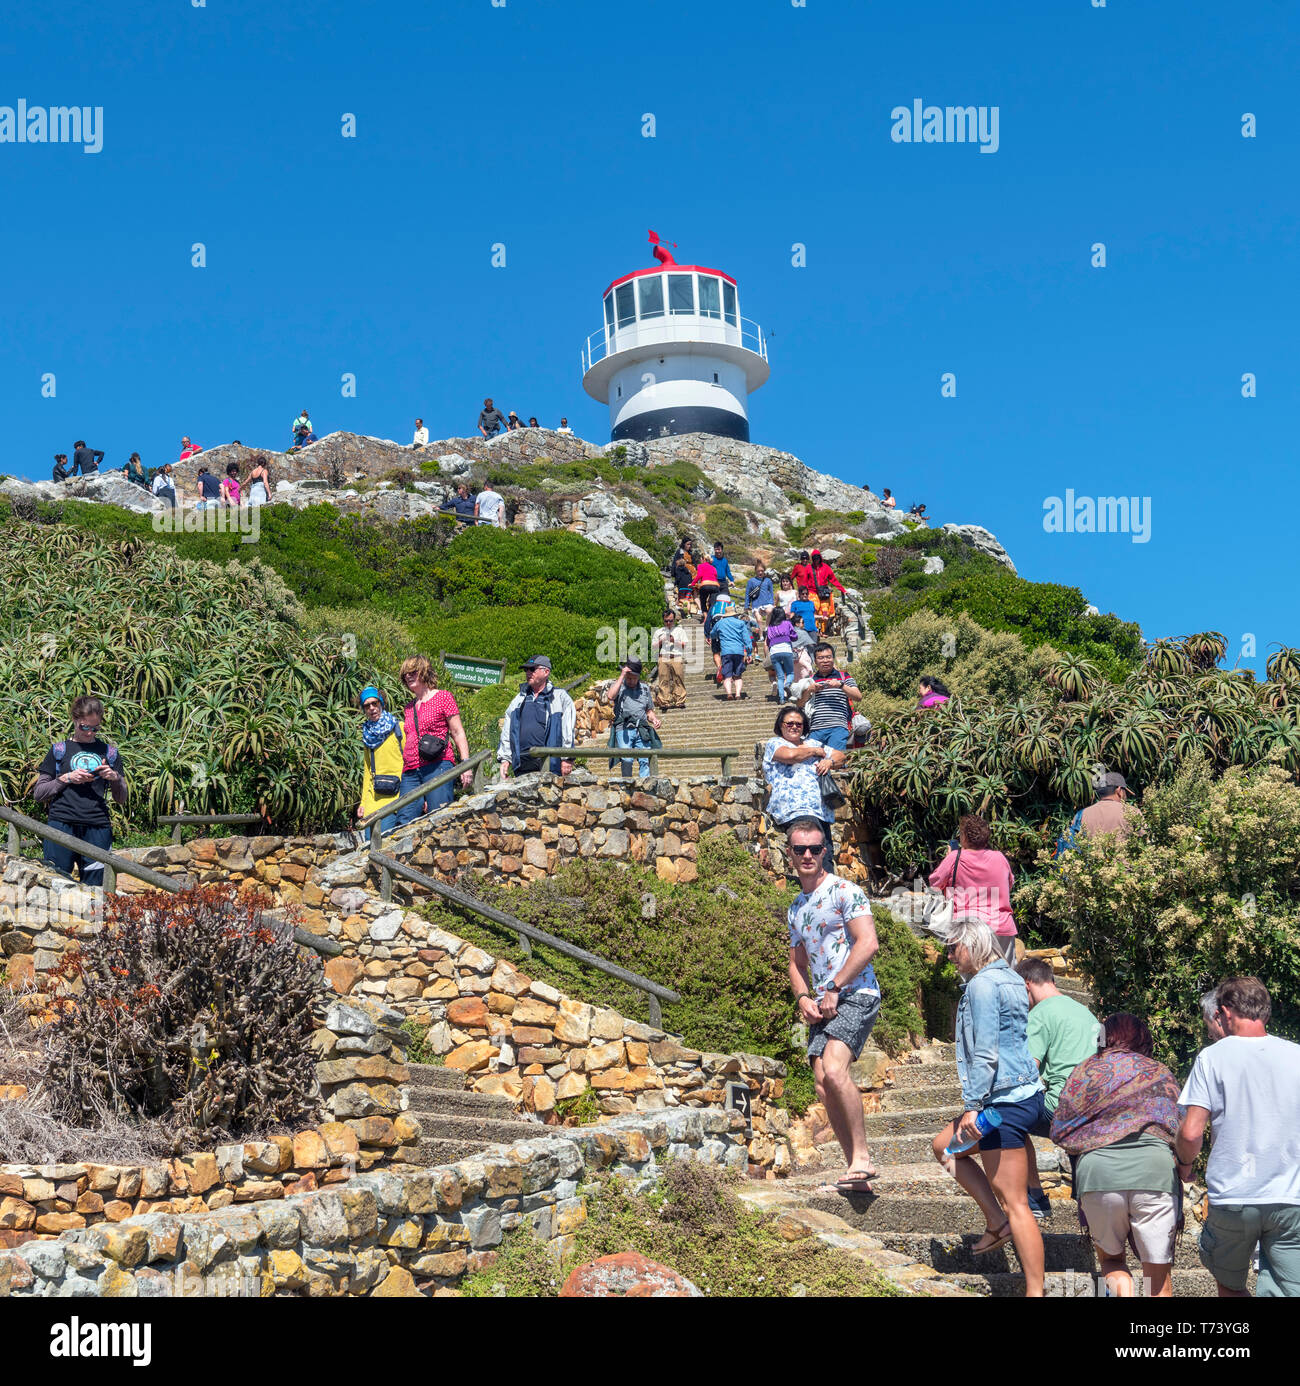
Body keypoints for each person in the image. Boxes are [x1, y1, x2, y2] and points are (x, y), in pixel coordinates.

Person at [931, 915, 1047, 1297]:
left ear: (973, 944)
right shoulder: (1013, 977)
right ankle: (995, 1221)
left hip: (1002, 1103)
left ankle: (1035, 1290)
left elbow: (985, 1053)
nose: (949, 956)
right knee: (943, 1147)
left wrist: (972, 1106)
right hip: (1025, 1093)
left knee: (1016, 1205)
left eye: (953, 948)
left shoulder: (981, 984)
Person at [1176, 976, 1300, 1298]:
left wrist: (1184, 1164)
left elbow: (1191, 1132)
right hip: (1291, 1196)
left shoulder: (1212, 1058)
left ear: (1226, 1012)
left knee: (1230, 1286)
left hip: (1234, 1194)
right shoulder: (1296, 1055)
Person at [1051, 1012, 1182, 1298]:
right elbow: (1180, 1128)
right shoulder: (1160, 1072)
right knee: (1158, 1281)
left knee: (1112, 1261)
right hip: (1155, 1174)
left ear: (1103, 1037)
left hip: (1098, 1175)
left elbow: (1060, 1128)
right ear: (1144, 1039)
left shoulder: (1084, 1071)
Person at [786, 816, 882, 1196]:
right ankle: (855, 1170)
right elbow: (796, 963)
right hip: (823, 1003)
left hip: (856, 993)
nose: (808, 855)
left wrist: (835, 987)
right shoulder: (796, 906)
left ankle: (863, 1158)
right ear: (790, 855)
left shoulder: (846, 891)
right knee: (823, 1085)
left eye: (815, 848)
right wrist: (803, 998)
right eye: (799, 849)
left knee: (834, 1068)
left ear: (825, 850)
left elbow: (868, 943)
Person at [1016, 956, 1102, 1220]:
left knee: (1009, 1117)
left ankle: (1034, 1196)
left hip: (1063, 1110)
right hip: (1098, 1108)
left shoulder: (1039, 1014)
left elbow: (1026, 1069)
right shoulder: (1084, 1012)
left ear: (1027, 985)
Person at [32, 695, 127, 886]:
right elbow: (39, 792)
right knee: (56, 885)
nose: (90, 733)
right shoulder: (59, 750)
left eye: (95, 728)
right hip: (61, 824)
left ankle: (93, 917)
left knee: (96, 889)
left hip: (97, 826)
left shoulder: (110, 753)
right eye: (85, 727)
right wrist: (67, 778)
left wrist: (115, 778)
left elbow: (121, 798)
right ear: (75, 720)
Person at [762, 705, 846, 865]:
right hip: (795, 810)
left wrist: (829, 761)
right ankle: (811, 888)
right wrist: (815, 751)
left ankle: (823, 889)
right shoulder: (775, 743)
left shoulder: (811, 742)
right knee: (812, 853)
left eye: (799, 724)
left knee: (825, 855)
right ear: (781, 725)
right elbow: (791, 755)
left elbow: (841, 756)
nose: (794, 727)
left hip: (821, 811)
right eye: (789, 723)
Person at [394, 656, 473, 824]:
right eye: (405, 674)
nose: (408, 676)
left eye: (413, 672)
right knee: (404, 820)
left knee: (440, 818)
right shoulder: (409, 707)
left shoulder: (443, 697)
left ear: (424, 672)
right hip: (410, 771)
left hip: (438, 764)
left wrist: (466, 764)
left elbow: (457, 732)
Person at [928, 814, 1017, 962]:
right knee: (1006, 975)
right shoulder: (1000, 857)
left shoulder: (955, 857)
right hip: (1002, 926)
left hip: (969, 930)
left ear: (964, 837)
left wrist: (949, 859)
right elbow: (1009, 884)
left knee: (972, 979)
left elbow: (935, 883)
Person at [498, 655, 576, 779]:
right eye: (526, 670)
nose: (528, 673)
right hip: (522, 765)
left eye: (532, 669)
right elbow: (507, 731)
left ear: (546, 672)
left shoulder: (560, 697)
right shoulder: (519, 699)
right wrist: (505, 759)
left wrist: (567, 758)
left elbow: (568, 729)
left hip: (550, 764)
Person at [356, 685, 404, 840]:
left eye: (375, 703)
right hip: (373, 800)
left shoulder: (399, 729)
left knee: (384, 846)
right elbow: (367, 770)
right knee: (369, 849)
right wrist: (363, 802)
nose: (372, 708)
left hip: (395, 798)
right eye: (367, 705)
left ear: (382, 703)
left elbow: (412, 763)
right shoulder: (367, 736)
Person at [797, 642, 860, 752]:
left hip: (838, 727)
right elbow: (799, 704)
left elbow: (858, 696)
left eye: (828, 657)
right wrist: (809, 690)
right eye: (821, 658)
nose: (825, 661)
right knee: (813, 763)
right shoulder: (809, 679)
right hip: (815, 729)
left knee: (835, 761)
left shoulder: (844, 676)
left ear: (833, 658)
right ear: (815, 661)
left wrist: (841, 685)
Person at [604, 659, 661, 778]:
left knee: (645, 760)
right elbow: (610, 696)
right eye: (628, 678)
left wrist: (654, 719)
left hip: (641, 728)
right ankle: (627, 785)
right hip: (624, 728)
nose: (631, 681)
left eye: (634, 678)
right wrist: (622, 675)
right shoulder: (620, 686)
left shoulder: (645, 689)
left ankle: (645, 787)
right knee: (627, 759)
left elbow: (649, 711)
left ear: (638, 676)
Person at [1079, 772, 1140, 842]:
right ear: (1119, 790)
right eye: (1125, 792)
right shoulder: (1133, 812)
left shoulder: (1082, 814)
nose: (1126, 796)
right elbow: (1146, 841)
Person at [712, 602, 754, 701]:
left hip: (726, 651)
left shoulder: (720, 623)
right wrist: (749, 653)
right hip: (739, 651)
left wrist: (719, 635)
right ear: (735, 614)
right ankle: (738, 694)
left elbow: (712, 634)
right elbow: (747, 639)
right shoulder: (740, 623)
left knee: (727, 676)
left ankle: (729, 694)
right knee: (738, 676)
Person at [652, 609, 688, 710]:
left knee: (679, 679)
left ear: (674, 620)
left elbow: (684, 645)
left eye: (671, 620)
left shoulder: (680, 631)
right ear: (663, 620)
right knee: (663, 680)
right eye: (666, 621)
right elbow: (654, 647)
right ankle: (664, 701)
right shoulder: (659, 632)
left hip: (676, 656)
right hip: (663, 656)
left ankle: (680, 701)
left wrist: (674, 641)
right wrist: (661, 641)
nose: (668, 623)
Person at [764, 606, 797, 703]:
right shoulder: (787, 623)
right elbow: (794, 636)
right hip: (786, 649)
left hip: (774, 651)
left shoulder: (770, 626)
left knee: (780, 676)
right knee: (790, 673)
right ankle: (788, 684)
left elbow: (768, 641)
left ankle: (781, 699)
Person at [744, 561, 776, 627]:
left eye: (762, 571)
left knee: (769, 612)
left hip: (767, 603)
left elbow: (771, 592)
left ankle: (767, 628)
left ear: (764, 570)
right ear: (755, 571)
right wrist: (746, 606)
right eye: (758, 571)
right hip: (756, 604)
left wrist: (772, 603)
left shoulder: (768, 580)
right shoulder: (751, 581)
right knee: (759, 620)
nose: (760, 572)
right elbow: (747, 594)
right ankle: (761, 635)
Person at [671, 538, 697, 617]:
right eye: (688, 544)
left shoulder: (690, 553)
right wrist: (674, 573)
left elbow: (694, 563)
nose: (689, 546)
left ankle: (687, 611)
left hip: (690, 575)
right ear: (684, 544)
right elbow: (675, 563)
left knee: (687, 596)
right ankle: (685, 612)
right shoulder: (680, 552)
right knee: (683, 596)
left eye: (690, 544)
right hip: (683, 576)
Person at [693, 553, 722, 619]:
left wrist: (692, 583)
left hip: (705, 585)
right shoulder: (713, 568)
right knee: (713, 603)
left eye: (701, 559)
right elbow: (715, 576)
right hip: (715, 585)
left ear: (704, 559)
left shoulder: (700, 566)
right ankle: (711, 617)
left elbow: (699, 575)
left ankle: (706, 618)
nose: (700, 560)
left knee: (703, 601)